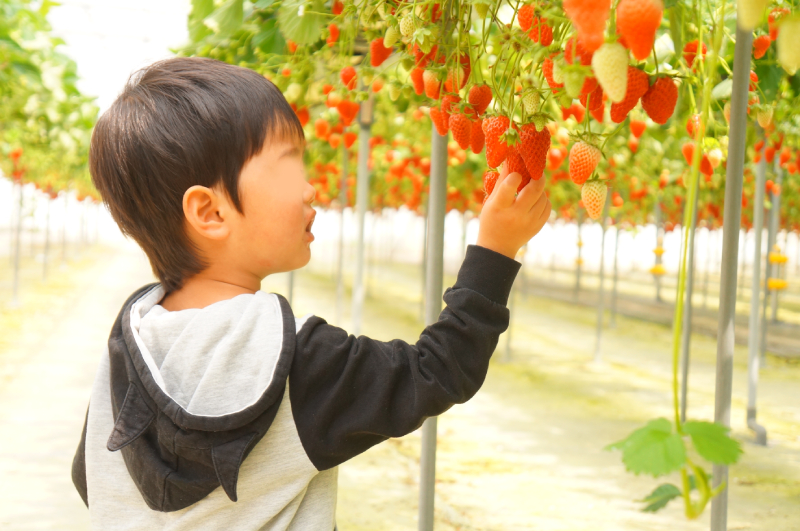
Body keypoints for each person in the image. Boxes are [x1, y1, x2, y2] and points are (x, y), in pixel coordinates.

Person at [71, 56, 551, 530]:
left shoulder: (127, 350)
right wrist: (496, 249)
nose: (311, 189)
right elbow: (439, 370)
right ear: (210, 212)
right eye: (288, 165)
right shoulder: (295, 362)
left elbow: (90, 477)